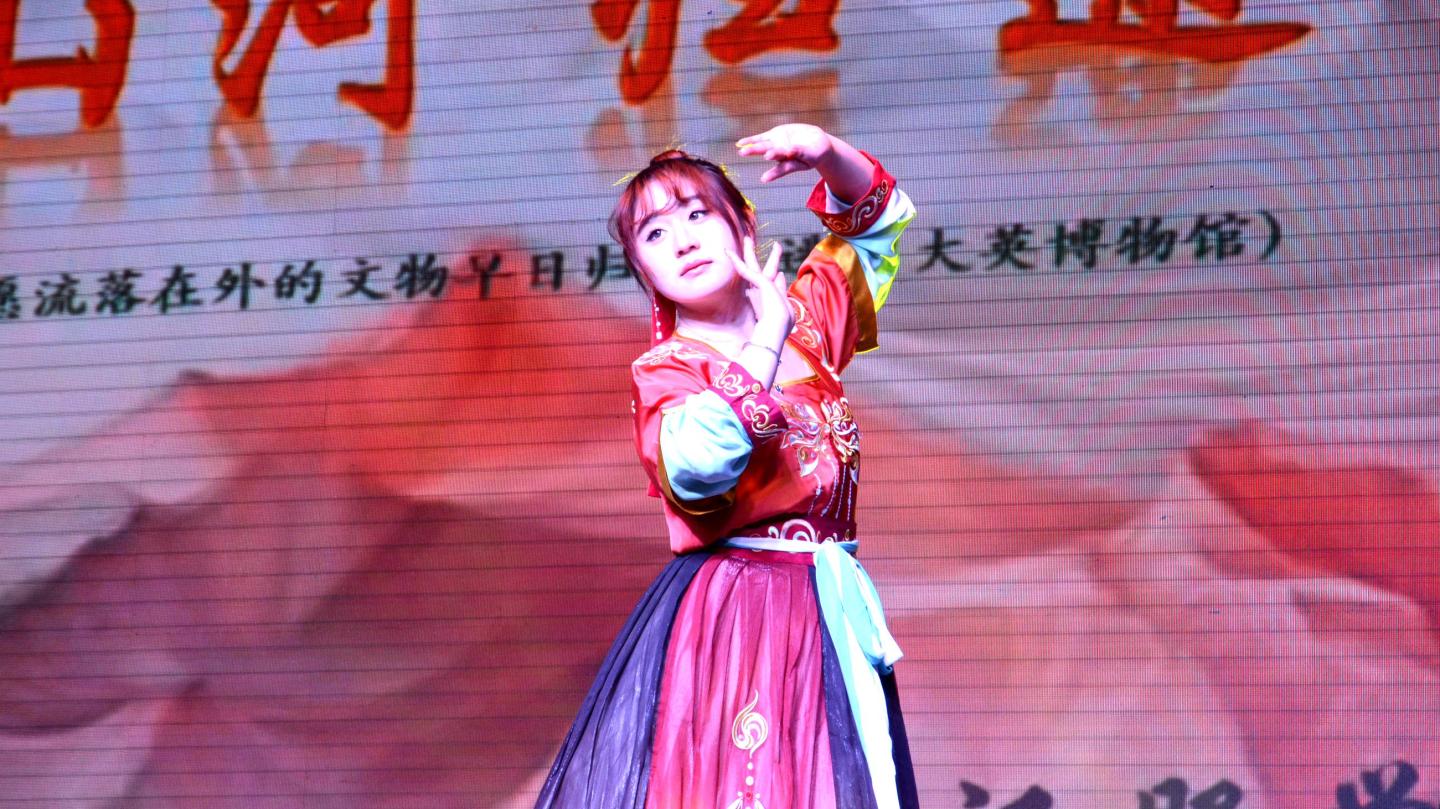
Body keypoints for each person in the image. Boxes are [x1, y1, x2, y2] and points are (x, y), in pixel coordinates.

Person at [534, 124, 919, 809]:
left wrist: (827, 153)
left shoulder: (806, 321)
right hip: (739, 614)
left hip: (826, 610)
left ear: (743, 225)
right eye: (654, 234)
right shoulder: (668, 368)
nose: (681, 241)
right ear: (644, 273)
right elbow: (698, 464)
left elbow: (875, 224)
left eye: (697, 215)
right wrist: (764, 341)